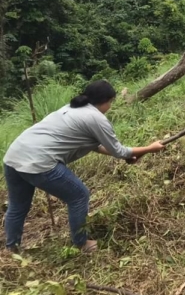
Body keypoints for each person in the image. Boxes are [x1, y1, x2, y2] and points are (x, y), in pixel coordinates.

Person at [3, 80, 167, 253]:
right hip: (40, 162)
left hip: (14, 156)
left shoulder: (72, 108)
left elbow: (95, 146)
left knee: (18, 206)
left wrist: (131, 154)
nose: (110, 106)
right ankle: (81, 243)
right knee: (79, 196)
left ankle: (12, 248)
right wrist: (151, 148)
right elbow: (119, 150)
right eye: (111, 102)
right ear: (106, 100)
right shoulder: (96, 118)